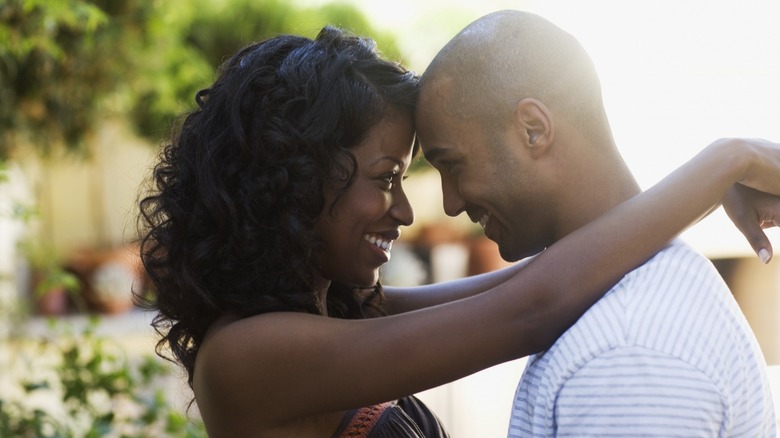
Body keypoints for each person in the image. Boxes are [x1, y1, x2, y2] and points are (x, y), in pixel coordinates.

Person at [137, 26, 780, 437]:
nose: (409, 211)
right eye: (387, 176)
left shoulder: (338, 311)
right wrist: (729, 158)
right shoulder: (247, 359)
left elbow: (546, 274)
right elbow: (531, 306)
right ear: (295, 180)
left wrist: (699, 196)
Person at [415, 10, 777, 437]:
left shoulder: (625, 353)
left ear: (533, 129)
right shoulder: (622, 309)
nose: (451, 204)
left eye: (453, 166)